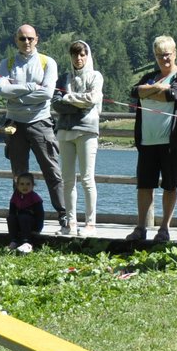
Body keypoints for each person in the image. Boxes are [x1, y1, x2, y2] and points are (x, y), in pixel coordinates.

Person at [0, 24, 69, 233]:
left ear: (37, 39)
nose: (26, 42)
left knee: (52, 170)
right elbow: (2, 90)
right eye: (22, 39)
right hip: (13, 124)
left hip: (41, 122)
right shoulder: (6, 63)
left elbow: (47, 93)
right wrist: (30, 87)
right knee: (18, 174)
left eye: (30, 38)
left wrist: (16, 95)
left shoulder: (48, 62)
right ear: (15, 40)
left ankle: (63, 214)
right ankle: (19, 213)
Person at [129, 35, 177, 242]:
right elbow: (134, 92)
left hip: (171, 142)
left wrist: (147, 93)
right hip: (147, 140)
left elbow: (172, 96)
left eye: (167, 55)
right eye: (159, 56)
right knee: (144, 185)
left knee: (169, 185)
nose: (164, 59)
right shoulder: (149, 76)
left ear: (174, 53)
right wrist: (157, 87)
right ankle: (141, 227)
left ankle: (164, 228)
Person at [55, 40, 103, 237]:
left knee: (86, 178)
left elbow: (92, 100)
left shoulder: (95, 76)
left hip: (87, 131)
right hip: (65, 131)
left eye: (82, 54)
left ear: (87, 55)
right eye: (75, 54)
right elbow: (56, 103)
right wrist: (75, 101)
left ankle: (90, 223)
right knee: (67, 180)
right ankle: (70, 222)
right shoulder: (64, 78)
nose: (78, 58)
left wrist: (69, 98)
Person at [6, 172, 45, 253]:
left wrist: (38, 228)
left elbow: (40, 215)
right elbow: (12, 211)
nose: (25, 186)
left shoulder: (35, 198)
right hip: (20, 223)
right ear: (17, 185)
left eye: (28, 184)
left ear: (33, 185)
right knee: (11, 217)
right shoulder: (15, 196)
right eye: (22, 184)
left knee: (24, 216)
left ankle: (27, 242)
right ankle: (14, 241)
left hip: (31, 225)